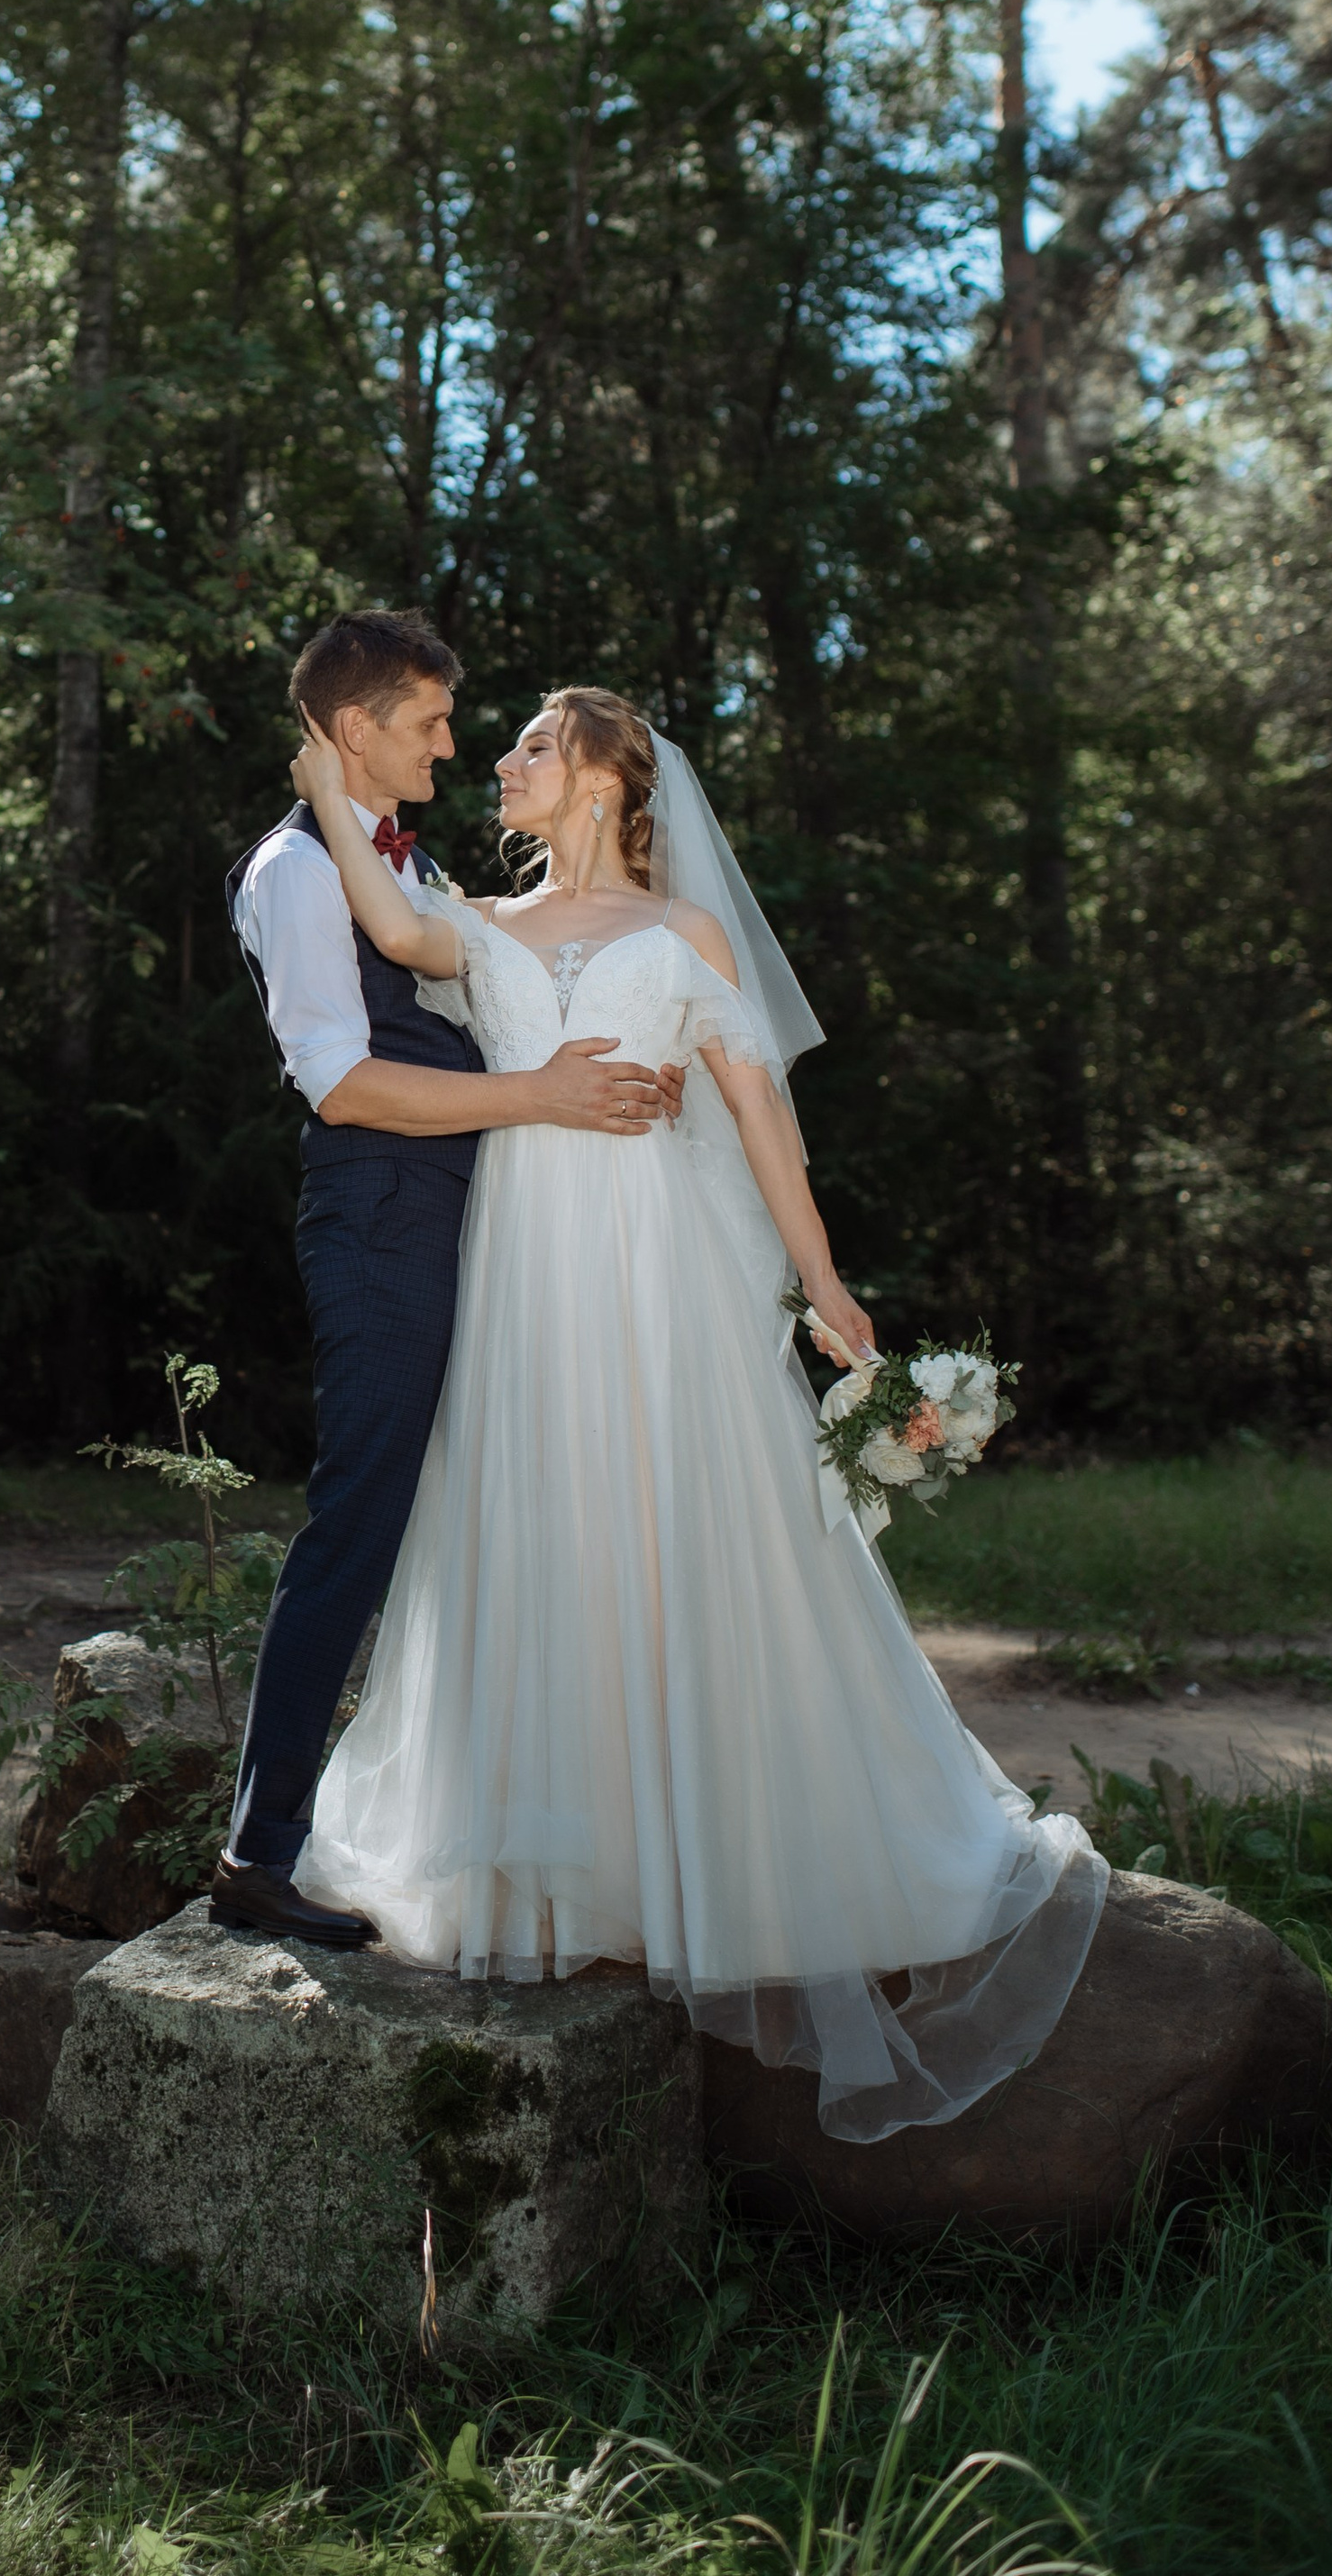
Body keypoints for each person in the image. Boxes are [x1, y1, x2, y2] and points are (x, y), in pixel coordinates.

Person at [284, 681, 1107, 2140]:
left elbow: (762, 1118)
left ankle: (721, 1859)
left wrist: (826, 1283)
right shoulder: (481, 922)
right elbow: (403, 934)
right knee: (540, 1534)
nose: (510, 765)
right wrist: (337, 804)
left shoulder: (687, 938)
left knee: (672, 1535)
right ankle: (569, 1866)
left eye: (538, 744)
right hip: (522, 1281)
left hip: (654, 1280)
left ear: (606, 779)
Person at [212, 612, 686, 1955]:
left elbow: (489, 972)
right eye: (427, 718)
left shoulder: (391, 866)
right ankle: (259, 1853)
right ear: (355, 729)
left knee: (477, 1524)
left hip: (470, 1222)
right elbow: (343, 1079)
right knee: (360, 1520)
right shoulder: (295, 874)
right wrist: (534, 1092)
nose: (450, 741)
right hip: (380, 1225)